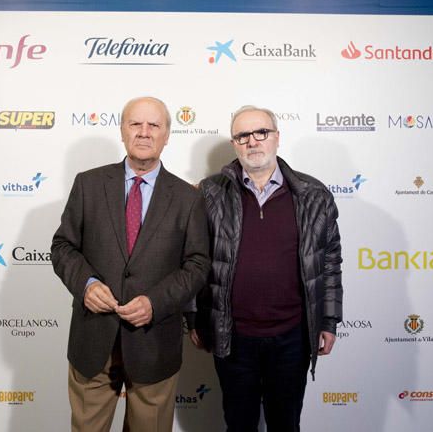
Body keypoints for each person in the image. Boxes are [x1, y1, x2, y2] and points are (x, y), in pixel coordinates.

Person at [51, 96, 210, 432]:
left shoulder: (188, 197)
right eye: (135, 124)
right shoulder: (88, 184)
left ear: (167, 134)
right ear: (122, 131)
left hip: (155, 346)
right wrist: (87, 284)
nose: (144, 132)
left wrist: (156, 302)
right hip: (93, 342)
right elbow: (63, 246)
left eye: (154, 125)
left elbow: (197, 264)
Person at [189, 105, 343, 432]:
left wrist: (328, 319)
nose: (253, 142)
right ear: (234, 143)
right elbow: (191, 259)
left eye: (261, 132)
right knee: (239, 424)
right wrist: (192, 316)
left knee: (285, 424)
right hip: (233, 337)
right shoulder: (210, 193)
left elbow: (329, 263)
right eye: (243, 135)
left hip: (292, 336)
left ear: (276, 138)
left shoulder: (314, 195)